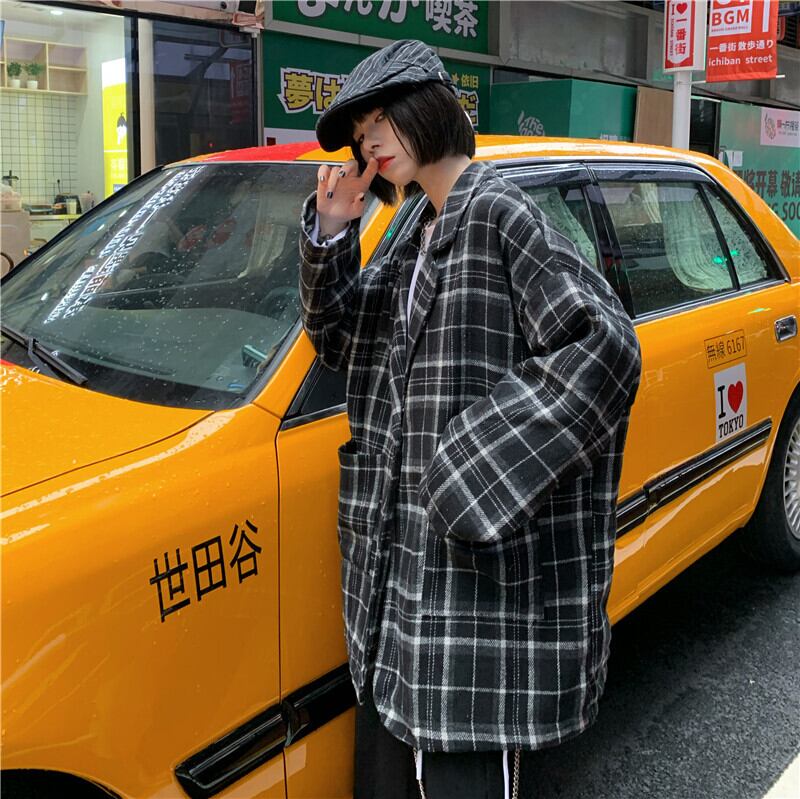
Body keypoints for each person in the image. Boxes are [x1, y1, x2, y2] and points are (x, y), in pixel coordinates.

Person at [299, 40, 641, 799]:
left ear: (429, 109)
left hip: (475, 575)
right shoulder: (415, 226)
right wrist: (332, 233)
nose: (370, 142)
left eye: (382, 120)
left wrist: (469, 470)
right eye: (360, 132)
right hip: (405, 565)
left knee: (463, 772)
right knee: (401, 764)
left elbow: (604, 346)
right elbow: (340, 340)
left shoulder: (497, 210)